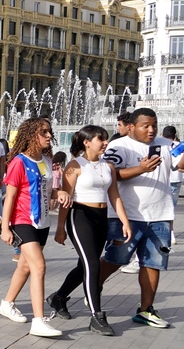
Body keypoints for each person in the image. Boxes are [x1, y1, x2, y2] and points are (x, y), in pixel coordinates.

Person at [99, 108, 184, 328]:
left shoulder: (166, 144)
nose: (151, 130)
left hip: (160, 214)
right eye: (146, 125)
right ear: (132, 126)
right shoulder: (119, 145)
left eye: (154, 125)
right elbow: (110, 175)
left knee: (153, 263)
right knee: (116, 258)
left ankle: (146, 309)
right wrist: (140, 168)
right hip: (127, 214)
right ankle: (94, 288)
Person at [49, 125, 132, 335]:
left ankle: (58, 298)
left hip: (101, 218)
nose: (105, 143)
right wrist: (60, 228)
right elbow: (65, 199)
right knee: (92, 265)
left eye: (106, 139)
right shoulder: (75, 166)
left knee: (84, 265)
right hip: (80, 216)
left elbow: (114, 196)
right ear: (87, 142)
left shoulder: (108, 166)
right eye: (100, 139)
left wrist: (125, 221)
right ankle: (97, 317)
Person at [0, 117, 66, 338]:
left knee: (25, 267)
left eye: (49, 131)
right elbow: (10, 197)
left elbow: (49, 191)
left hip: (42, 223)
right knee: (39, 267)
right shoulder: (19, 162)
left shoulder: (46, 160)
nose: (48, 135)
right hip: (22, 221)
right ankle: (38, 320)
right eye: (43, 132)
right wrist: (6, 228)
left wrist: (60, 192)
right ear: (30, 136)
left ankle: (6, 303)